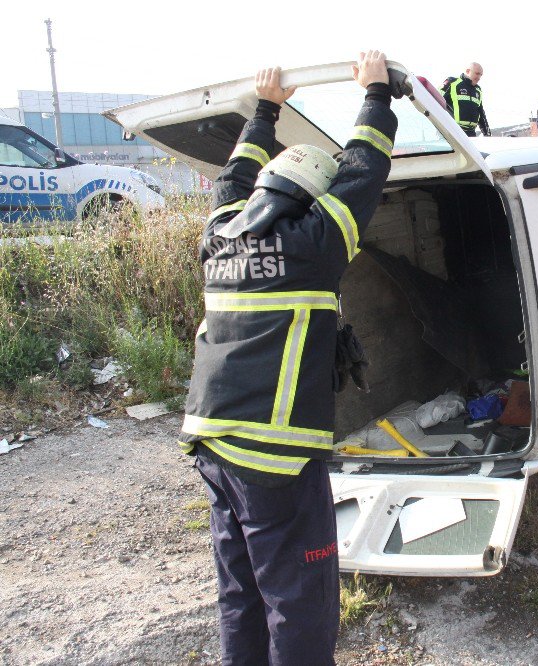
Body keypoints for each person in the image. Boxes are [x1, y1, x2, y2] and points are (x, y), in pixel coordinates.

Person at [178, 52, 398, 664]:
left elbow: (232, 177)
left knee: (241, 588)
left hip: (212, 443)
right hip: (272, 453)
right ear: (306, 199)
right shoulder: (312, 244)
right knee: (300, 599)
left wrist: (266, 109)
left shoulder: (220, 233)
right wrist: (376, 93)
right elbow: (365, 169)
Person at [441, 62, 490, 137]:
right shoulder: (452, 83)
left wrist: (487, 134)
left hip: (471, 134)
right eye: (477, 73)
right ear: (467, 71)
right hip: (453, 131)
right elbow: (434, 100)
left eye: (481, 75)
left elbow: (481, 113)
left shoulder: (478, 90)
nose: (479, 77)